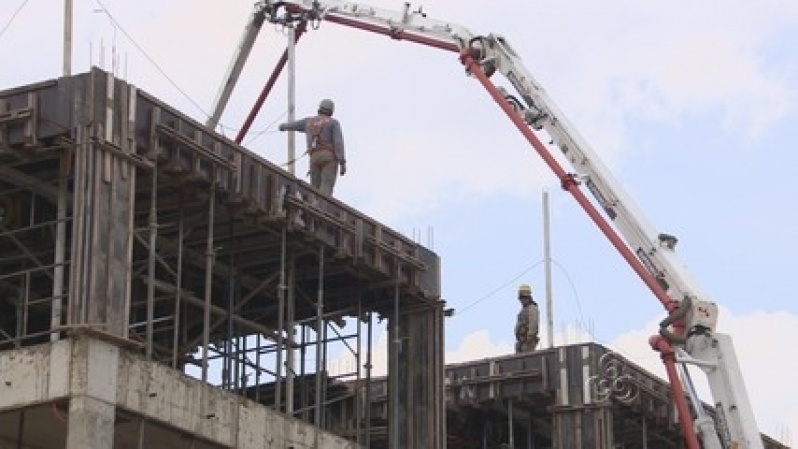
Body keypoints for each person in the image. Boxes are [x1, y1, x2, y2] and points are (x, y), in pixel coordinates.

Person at [278, 99, 346, 196]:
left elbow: (293, 125)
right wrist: (342, 162)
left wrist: (283, 126)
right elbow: (338, 143)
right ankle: (322, 208)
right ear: (331, 111)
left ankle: (314, 205)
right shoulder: (333, 123)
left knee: (314, 188)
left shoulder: (308, 122)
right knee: (326, 187)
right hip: (328, 158)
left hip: (314, 158)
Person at [514, 284, 540, 353]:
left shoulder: (532, 309)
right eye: (521, 298)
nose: (522, 300)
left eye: (524, 297)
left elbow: (533, 326)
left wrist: (527, 341)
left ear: (528, 297)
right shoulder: (523, 310)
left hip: (528, 343)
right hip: (521, 343)